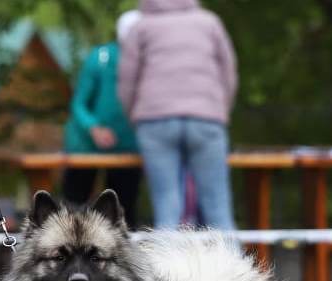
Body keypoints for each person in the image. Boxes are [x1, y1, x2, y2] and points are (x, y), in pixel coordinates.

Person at [119, 0, 238, 230]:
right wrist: (220, 109)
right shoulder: (209, 22)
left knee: (167, 208)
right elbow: (229, 72)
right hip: (206, 118)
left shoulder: (141, 27)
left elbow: (126, 81)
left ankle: (166, 266)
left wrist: (134, 115)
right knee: (218, 208)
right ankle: (235, 266)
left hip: (155, 121)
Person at [62, 10, 143, 227]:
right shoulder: (100, 58)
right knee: (73, 208)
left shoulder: (148, 61)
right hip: (85, 146)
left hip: (127, 148)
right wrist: (94, 128)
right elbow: (79, 104)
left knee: (123, 212)